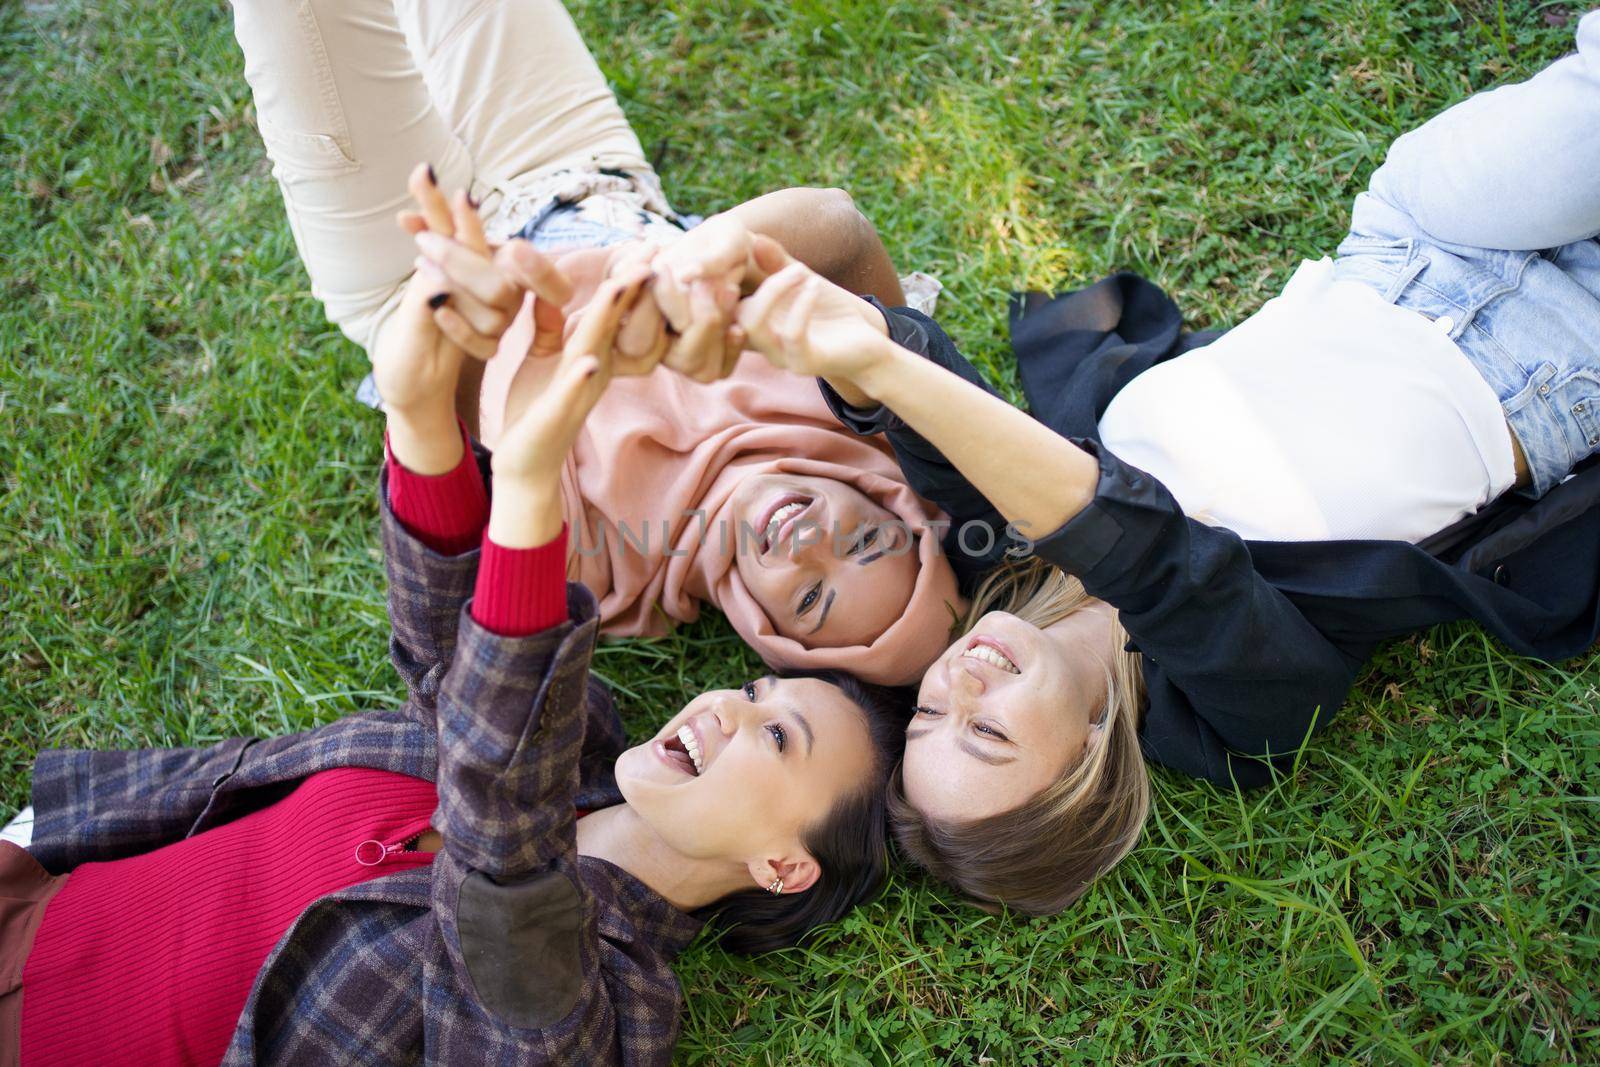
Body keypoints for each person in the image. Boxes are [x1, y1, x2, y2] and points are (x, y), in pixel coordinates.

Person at [732, 11, 1600, 916]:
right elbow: (1149, 554)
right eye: (985, 730)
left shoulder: (1001, 556)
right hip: (1559, 360)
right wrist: (885, 371)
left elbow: (905, 354)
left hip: (1411, 244)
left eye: (928, 714)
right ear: (1086, 760)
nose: (958, 682)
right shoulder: (1240, 719)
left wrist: (715, 271)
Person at [0, 262, 906, 1067]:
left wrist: (530, 487)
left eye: (779, 736)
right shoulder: (579, 742)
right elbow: (455, 652)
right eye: (755, 688)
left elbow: (504, 856)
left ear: (783, 866)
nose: (729, 706)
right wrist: (423, 409)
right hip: (36, 885)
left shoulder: (606, 1013)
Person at [227, 0, 963, 687]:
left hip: (414, 259)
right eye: (863, 542)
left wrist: (524, 344)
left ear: (763, 629)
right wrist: (707, 256)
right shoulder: (861, 405)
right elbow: (838, 227)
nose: (808, 542)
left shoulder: (605, 577)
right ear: (883, 497)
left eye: (810, 599)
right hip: (582, 169)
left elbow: (439, 428)